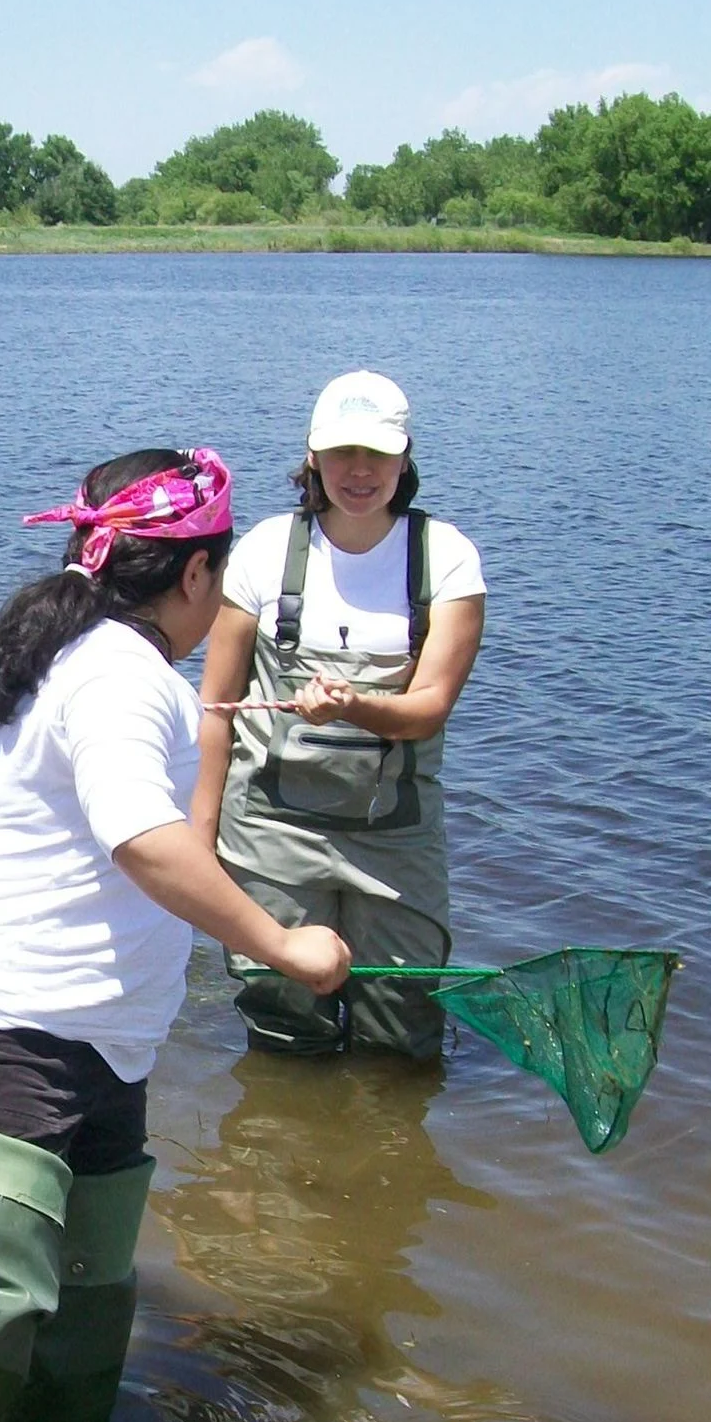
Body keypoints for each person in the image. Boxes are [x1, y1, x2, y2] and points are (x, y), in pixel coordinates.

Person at [0, 447, 353, 1422]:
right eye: (217, 580)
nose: (218, 601)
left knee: (84, 1306)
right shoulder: (124, 676)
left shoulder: (51, 644)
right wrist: (282, 945)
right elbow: (145, 840)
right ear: (191, 579)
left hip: (106, 1048)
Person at [192, 372, 485, 1057]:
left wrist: (353, 704)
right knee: (281, 1019)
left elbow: (429, 709)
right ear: (312, 457)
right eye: (342, 452)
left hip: (396, 835)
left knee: (404, 1030)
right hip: (270, 831)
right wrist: (199, 838)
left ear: (405, 458)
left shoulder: (446, 559)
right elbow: (216, 709)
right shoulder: (264, 551)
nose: (360, 471)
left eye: (378, 454)